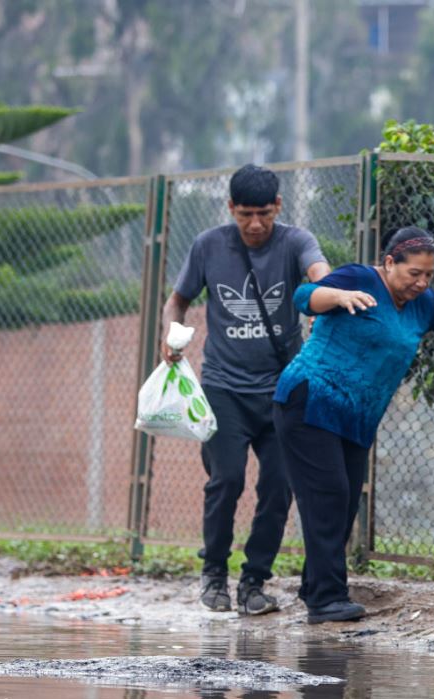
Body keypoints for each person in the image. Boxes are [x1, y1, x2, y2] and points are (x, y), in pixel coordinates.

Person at [272, 226, 434, 624]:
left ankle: (316, 587)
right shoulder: (360, 278)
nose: (422, 282)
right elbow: (305, 297)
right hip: (310, 400)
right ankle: (326, 600)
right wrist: (339, 296)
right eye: (414, 273)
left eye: (429, 274)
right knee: (328, 495)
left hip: (355, 417)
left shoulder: (422, 304)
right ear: (390, 262)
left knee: (342, 505)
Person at [163, 163, 330, 614]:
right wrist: (171, 334)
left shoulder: (295, 241)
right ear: (230, 208)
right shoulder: (208, 246)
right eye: (245, 215)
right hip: (224, 388)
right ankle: (214, 573)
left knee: (278, 487)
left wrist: (323, 298)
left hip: (282, 387)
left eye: (264, 213)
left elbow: (319, 273)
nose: (255, 224)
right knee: (227, 480)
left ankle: (254, 581)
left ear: (278, 206)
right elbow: (178, 299)